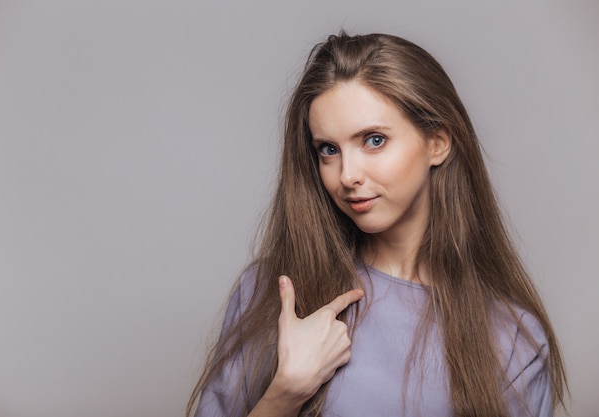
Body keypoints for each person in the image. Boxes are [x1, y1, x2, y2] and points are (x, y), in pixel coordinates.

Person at [186, 32, 568, 417]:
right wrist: (287, 391)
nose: (347, 175)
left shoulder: (513, 337)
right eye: (328, 150)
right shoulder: (271, 294)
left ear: (437, 143)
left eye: (373, 140)